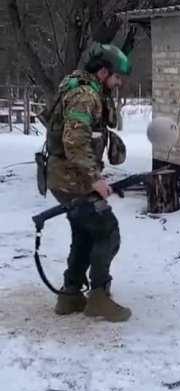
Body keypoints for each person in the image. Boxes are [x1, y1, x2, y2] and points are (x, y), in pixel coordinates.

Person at [46, 44, 132, 322]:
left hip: (66, 178)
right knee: (107, 231)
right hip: (73, 180)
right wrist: (94, 180)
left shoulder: (87, 90)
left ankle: (70, 295)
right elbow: (75, 141)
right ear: (103, 72)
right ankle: (98, 297)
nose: (119, 82)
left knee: (84, 233)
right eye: (117, 76)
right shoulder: (85, 95)